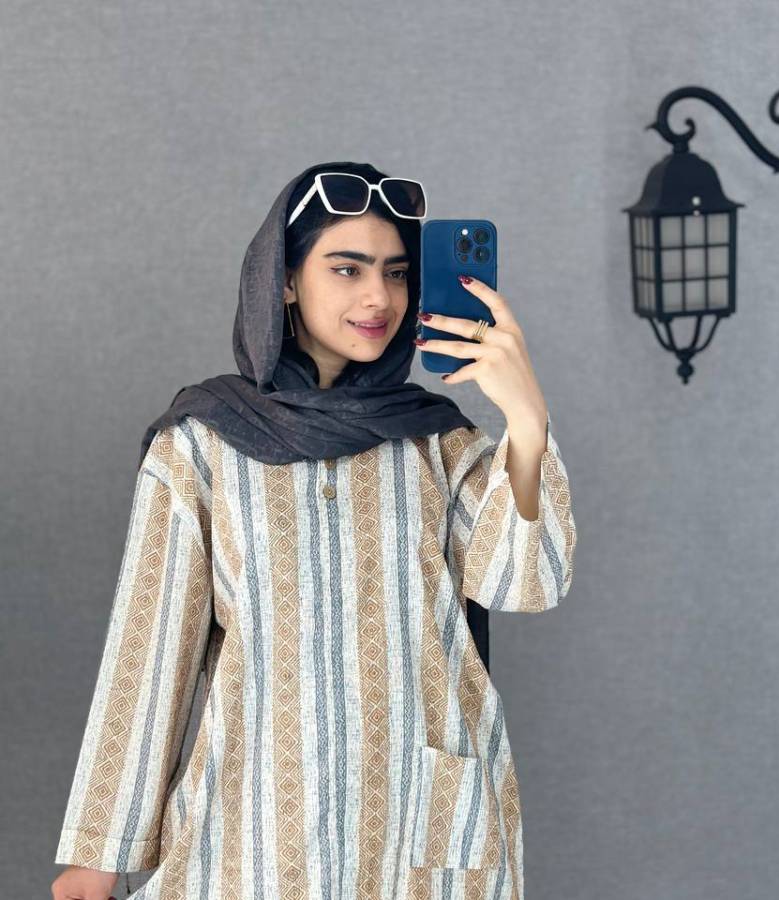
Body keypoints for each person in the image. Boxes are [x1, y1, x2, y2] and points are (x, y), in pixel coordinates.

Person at [51, 161, 577, 900]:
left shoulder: (439, 447)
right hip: (258, 834)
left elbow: (526, 584)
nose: (378, 297)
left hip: (418, 832)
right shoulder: (202, 448)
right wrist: (98, 854)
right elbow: (150, 652)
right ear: (285, 281)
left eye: (396, 273)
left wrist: (526, 417)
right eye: (347, 268)